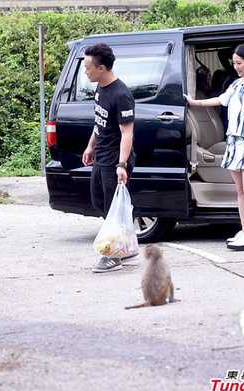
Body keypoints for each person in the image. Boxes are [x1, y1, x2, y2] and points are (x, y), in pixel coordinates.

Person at [185, 43, 244, 251]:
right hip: (233, 142)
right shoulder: (235, 85)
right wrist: (194, 103)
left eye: (239, 63)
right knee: (240, 190)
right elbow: (220, 100)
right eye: (234, 63)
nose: (236, 67)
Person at [81, 43, 136, 273]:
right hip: (101, 155)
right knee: (99, 202)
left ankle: (113, 255)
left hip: (115, 159)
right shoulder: (100, 88)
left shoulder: (121, 94)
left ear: (101, 68)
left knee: (112, 207)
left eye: (88, 68)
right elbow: (99, 121)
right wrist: (90, 146)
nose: (86, 72)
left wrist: (121, 165)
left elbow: (127, 132)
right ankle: (122, 245)